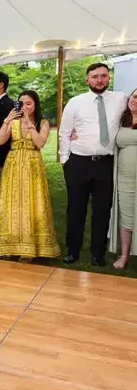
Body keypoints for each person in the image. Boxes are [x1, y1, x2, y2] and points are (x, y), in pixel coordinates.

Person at [59, 63, 128, 266]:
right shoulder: (75, 102)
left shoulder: (121, 99)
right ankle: (72, 251)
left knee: (102, 210)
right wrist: (65, 160)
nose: (100, 80)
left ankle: (98, 254)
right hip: (78, 162)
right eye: (95, 76)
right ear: (87, 79)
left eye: (104, 76)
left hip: (105, 164)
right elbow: (64, 132)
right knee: (76, 209)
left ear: (109, 78)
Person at [0, 90, 59, 261]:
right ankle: (10, 245)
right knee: (11, 202)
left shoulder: (42, 122)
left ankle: (30, 248)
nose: (25, 107)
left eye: (29, 103)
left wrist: (29, 123)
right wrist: (7, 120)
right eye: (22, 103)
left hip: (32, 164)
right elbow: (0, 141)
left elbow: (39, 143)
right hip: (13, 164)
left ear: (35, 104)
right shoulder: (12, 122)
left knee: (32, 202)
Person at [109, 88, 137, 269]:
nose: (136, 101)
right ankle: (124, 255)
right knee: (126, 216)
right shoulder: (120, 118)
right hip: (124, 178)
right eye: (135, 96)